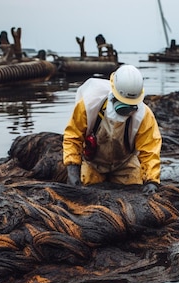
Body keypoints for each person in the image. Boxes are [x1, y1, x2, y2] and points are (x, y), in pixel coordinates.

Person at [62, 64, 162, 194]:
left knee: (135, 191)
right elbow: (73, 137)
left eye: (130, 105)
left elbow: (150, 149)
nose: (127, 110)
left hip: (125, 164)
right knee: (87, 191)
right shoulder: (89, 104)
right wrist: (73, 170)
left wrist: (152, 181)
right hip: (93, 163)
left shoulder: (143, 115)